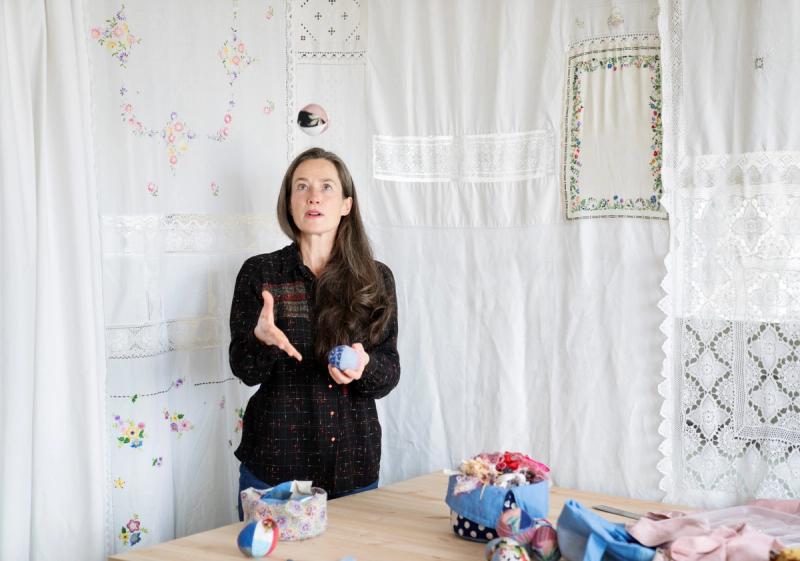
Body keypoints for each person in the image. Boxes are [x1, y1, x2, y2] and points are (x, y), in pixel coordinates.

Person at [229, 147, 400, 520]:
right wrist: (262, 341)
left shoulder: (376, 278)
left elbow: (389, 373)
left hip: (352, 465)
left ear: (346, 205)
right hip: (275, 467)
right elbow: (244, 369)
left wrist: (365, 366)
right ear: (289, 203)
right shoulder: (260, 273)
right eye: (301, 187)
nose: (313, 196)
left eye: (326, 187)